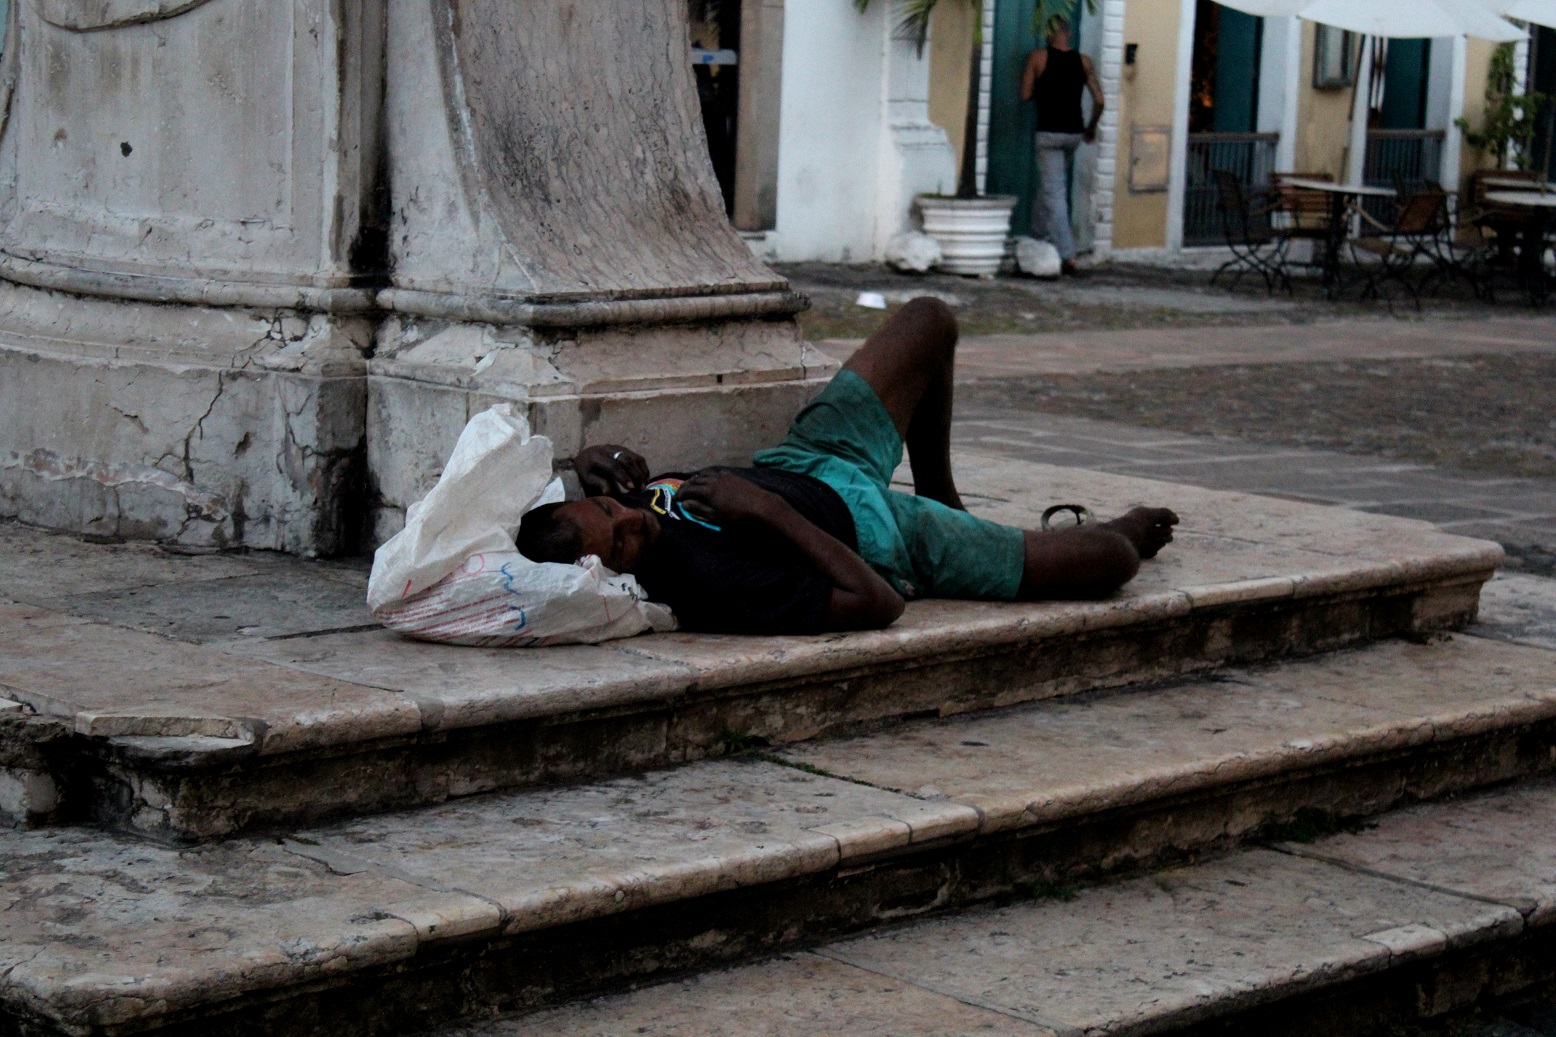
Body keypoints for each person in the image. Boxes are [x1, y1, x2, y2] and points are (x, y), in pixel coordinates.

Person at [518, 298, 1177, 635]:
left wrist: (591, 459)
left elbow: (608, 501)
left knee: (931, 321)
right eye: (622, 540)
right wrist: (768, 511)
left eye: (610, 509)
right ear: (607, 581)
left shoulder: (624, 508)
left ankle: (944, 491)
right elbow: (878, 603)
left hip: (811, 458)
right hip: (882, 535)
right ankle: (1102, 526)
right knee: (1111, 558)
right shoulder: (708, 585)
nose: (631, 517)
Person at [1019, 13, 1105, 277]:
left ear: (1047, 34)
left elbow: (1024, 95)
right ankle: (1037, 239)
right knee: (1050, 188)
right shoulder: (1083, 61)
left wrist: (1042, 90)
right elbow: (1100, 100)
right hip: (1074, 133)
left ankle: (1067, 255)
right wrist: (1091, 127)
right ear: (1068, 33)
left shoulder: (1037, 57)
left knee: (1054, 191)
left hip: (1048, 133)